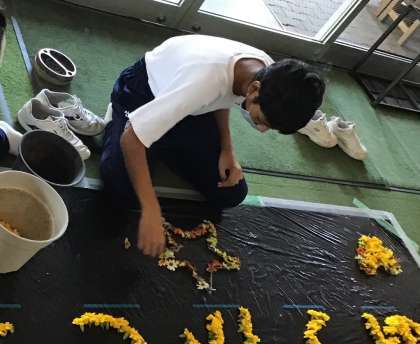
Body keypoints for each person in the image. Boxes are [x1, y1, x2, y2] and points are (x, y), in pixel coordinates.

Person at [100, 34, 325, 258]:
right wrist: (151, 210)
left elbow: (223, 97)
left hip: (192, 107)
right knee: (119, 183)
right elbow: (132, 139)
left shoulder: (267, 73)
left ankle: (159, 136)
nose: (263, 130)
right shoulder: (202, 83)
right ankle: (120, 118)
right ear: (254, 90)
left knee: (231, 192)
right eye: (262, 121)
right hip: (143, 90)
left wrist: (227, 149)